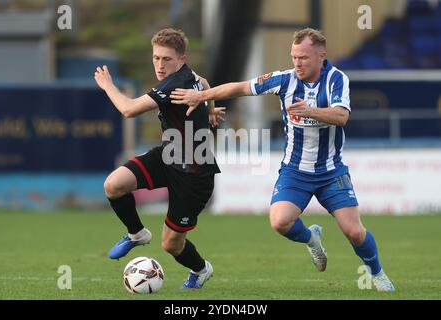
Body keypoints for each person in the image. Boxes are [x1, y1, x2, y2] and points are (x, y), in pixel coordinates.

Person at [170, 28, 395, 292]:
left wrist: (309, 110)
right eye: (294, 57)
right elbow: (240, 88)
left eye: (304, 58)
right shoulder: (284, 80)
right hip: (295, 171)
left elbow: (341, 117)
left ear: (321, 56)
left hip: (331, 171)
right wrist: (202, 96)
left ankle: (377, 273)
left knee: (354, 233)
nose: (297, 63)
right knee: (280, 222)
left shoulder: (336, 80)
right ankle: (312, 238)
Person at [94, 27, 225, 289]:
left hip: (194, 174)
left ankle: (201, 269)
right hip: (168, 156)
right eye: (156, 58)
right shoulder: (190, 77)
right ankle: (137, 234)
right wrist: (210, 111)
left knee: (171, 244)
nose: (160, 65)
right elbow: (206, 83)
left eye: (167, 59)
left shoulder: (173, 84)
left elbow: (129, 110)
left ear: (182, 59)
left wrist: (108, 86)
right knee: (114, 185)